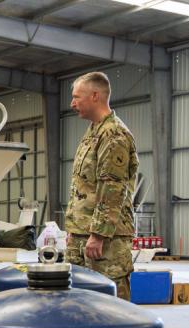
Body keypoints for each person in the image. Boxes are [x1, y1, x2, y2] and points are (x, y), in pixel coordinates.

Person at [65, 72, 138, 301]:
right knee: (81, 304)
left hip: (107, 240)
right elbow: (82, 186)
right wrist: (73, 228)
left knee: (110, 305)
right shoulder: (92, 132)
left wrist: (97, 235)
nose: (72, 103)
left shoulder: (113, 134)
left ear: (95, 96)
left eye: (77, 97)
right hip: (82, 234)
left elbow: (112, 189)